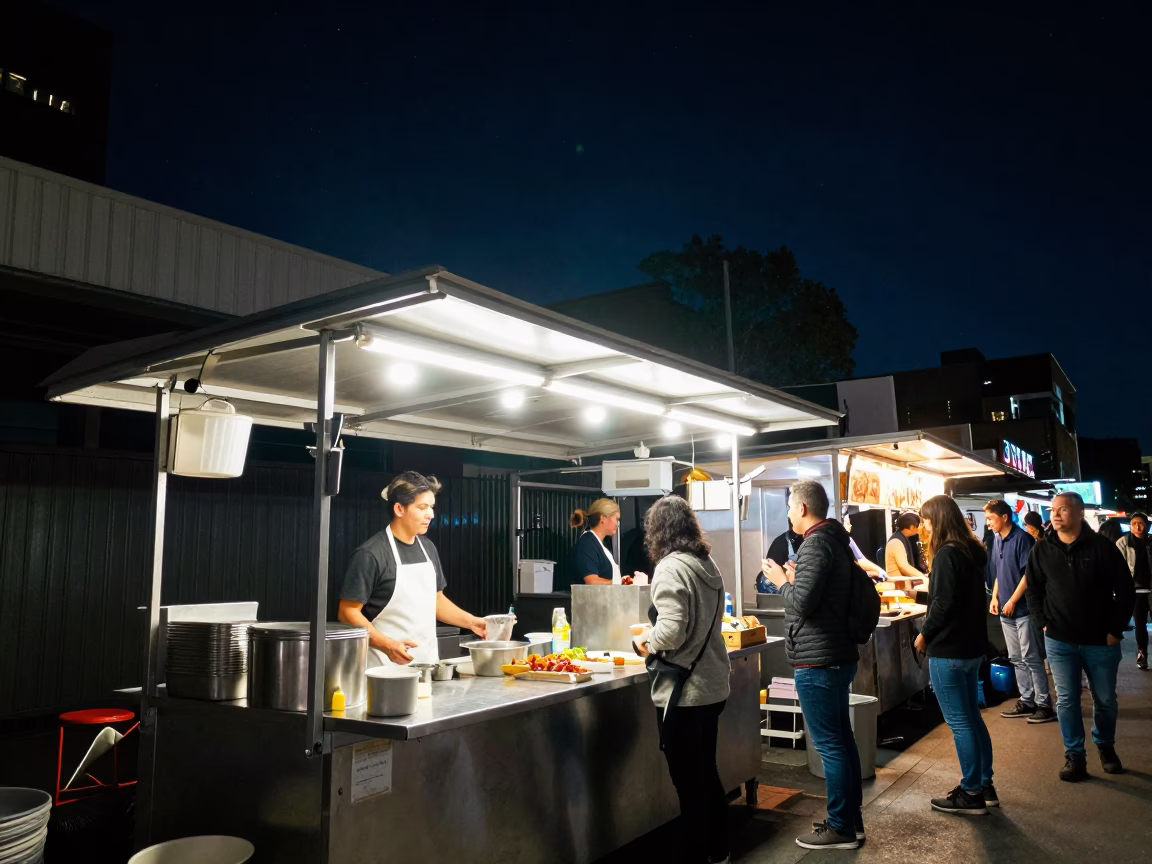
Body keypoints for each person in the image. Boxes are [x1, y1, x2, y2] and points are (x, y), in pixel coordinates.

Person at [762, 480, 862, 850]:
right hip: (835, 655)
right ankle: (851, 819)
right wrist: (794, 577)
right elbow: (815, 595)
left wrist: (780, 581)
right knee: (842, 740)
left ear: (803, 508)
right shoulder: (833, 540)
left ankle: (840, 828)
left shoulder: (816, 543)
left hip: (818, 660)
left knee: (831, 745)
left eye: (790, 506)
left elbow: (802, 603)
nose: (788, 512)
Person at [632, 495, 731, 864]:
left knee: (689, 783)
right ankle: (719, 852)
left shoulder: (672, 567)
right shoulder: (706, 562)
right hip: (712, 685)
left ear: (657, 531)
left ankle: (695, 855)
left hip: (685, 693)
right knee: (707, 773)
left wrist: (646, 642)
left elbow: (671, 630)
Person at [1025, 492, 1135, 781]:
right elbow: (1033, 590)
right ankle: (1075, 755)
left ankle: (1105, 745)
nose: (1055, 514)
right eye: (1053, 510)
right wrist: (1043, 623)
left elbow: (1125, 591)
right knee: (1067, 700)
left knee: (1105, 700)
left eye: (1063, 509)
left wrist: (1115, 629)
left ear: (1079, 513)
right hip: (1060, 640)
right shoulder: (1042, 549)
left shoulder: (1102, 548)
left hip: (1100, 640)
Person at [338, 471, 486, 666]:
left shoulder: (428, 548)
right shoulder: (370, 554)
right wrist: (387, 645)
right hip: (383, 671)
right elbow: (348, 613)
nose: (431, 514)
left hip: (427, 667)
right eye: (422, 507)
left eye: (432, 507)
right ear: (399, 509)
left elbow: (436, 601)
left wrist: (473, 623)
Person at [913, 495, 996, 815]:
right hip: (971, 648)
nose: (923, 526)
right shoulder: (970, 552)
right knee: (972, 719)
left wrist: (924, 635)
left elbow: (943, 604)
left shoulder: (947, 553)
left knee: (961, 723)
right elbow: (953, 596)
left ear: (939, 520)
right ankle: (984, 784)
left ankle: (971, 792)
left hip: (949, 650)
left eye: (926, 520)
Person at [984, 500, 1054, 723]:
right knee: (1016, 658)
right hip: (1005, 609)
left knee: (1031, 658)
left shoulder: (1022, 539)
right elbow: (998, 572)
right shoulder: (997, 539)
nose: (988, 524)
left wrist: (1013, 599)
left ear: (1004, 517)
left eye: (990, 518)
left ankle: (1044, 704)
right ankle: (1026, 700)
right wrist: (995, 597)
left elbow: (1027, 575)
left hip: (1023, 609)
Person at [1115, 512, 1151, 670]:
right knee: (1140, 624)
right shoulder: (1123, 542)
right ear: (1130, 525)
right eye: (1134, 523)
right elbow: (1117, 567)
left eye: (1141, 523)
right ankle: (1142, 654)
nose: (1137, 526)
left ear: (1147, 525)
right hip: (1135, 591)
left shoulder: (1151, 542)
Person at [568, 498, 622, 587]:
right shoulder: (587, 544)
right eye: (616, 519)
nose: (617, 524)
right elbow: (592, 581)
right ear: (603, 518)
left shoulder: (602, 544)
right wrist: (619, 582)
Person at [886, 512, 928, 584]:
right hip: (898, 585)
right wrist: (923, 577)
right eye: (919, 525)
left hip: (904, 582)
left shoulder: (903, 538)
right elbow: (904, 567)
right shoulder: (896, 542)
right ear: (912, 527)